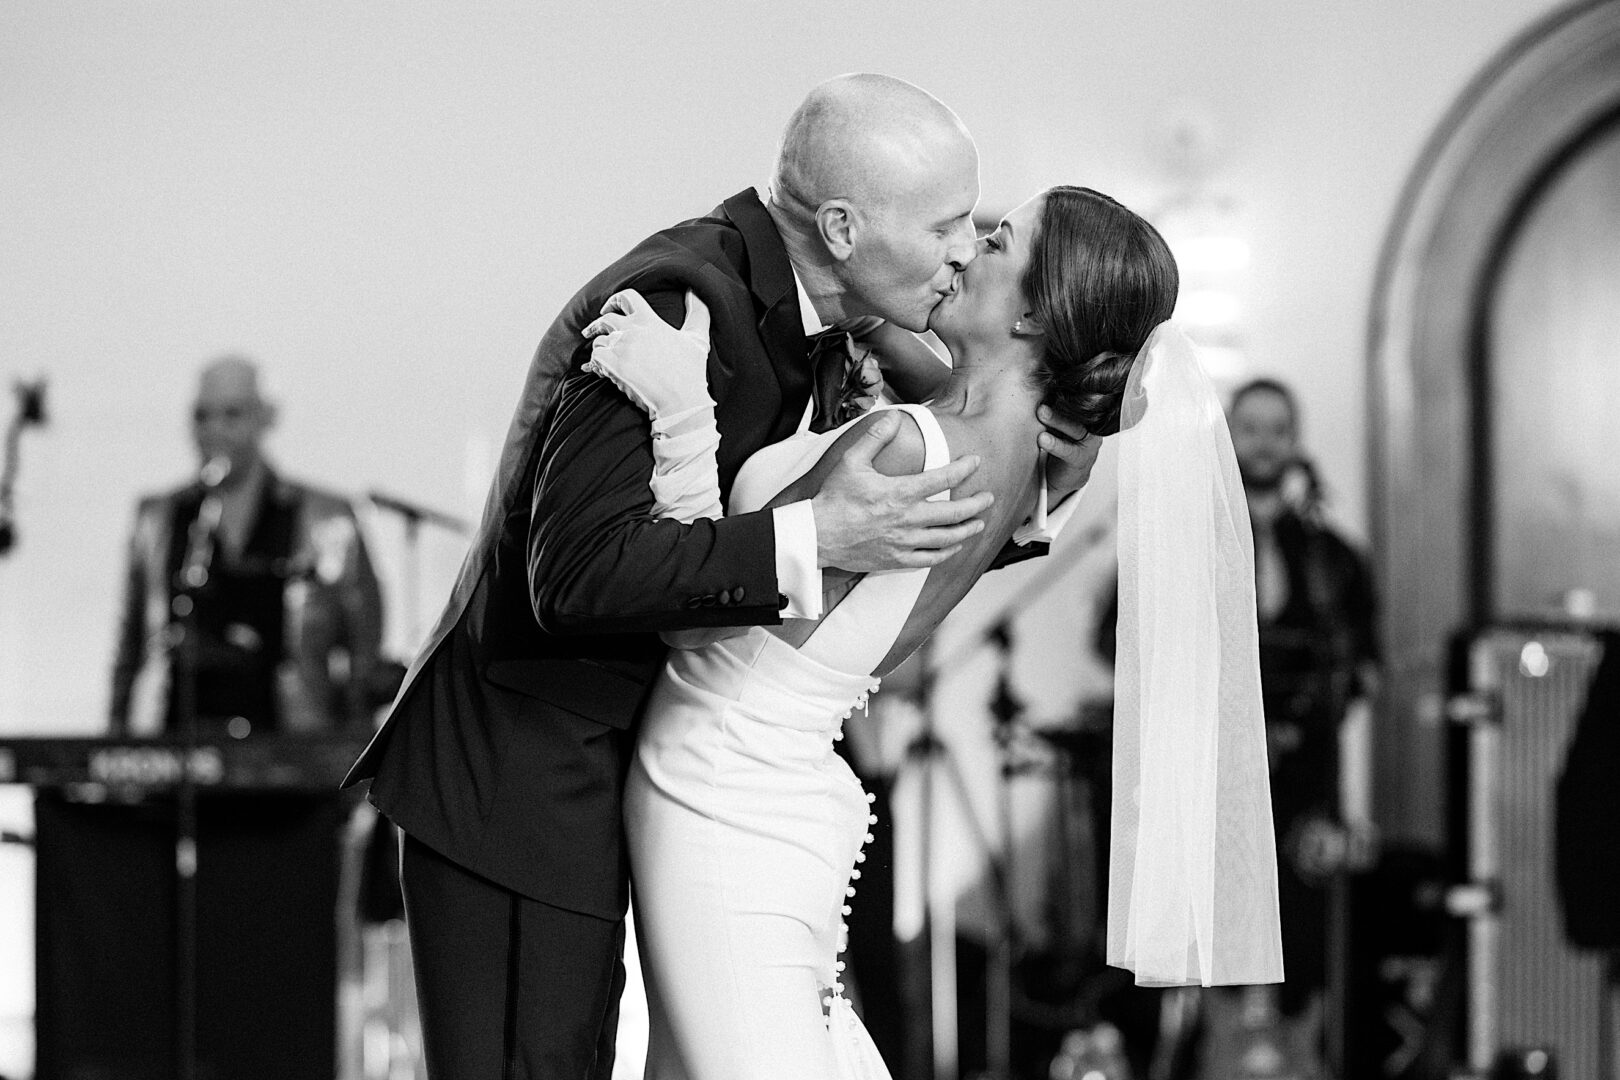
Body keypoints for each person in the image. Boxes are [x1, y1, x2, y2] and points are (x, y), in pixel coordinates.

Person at [343, 74, 1103, 1079]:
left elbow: (921, 472)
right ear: (840, 226)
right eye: (950, 224)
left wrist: (1036, 464)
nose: (967, 249)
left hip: (654, 772)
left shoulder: (821, 310)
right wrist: (815, 534)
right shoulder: (682, 301)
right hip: (529, 777)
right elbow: (578, 575)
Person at [589, 185, 1284, 1078]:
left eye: (995, 242)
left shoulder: (906, 452)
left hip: (723, 791)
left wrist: (679, 406)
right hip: (778, 790)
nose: (964, 252)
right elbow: (965, 397)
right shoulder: (1029, 467)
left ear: (1037, 308)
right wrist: (873, 313)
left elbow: (697, 618)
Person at [1225, 377, 1380, 1064]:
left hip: (1306, 781)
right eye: (1249, 426)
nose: (1262, 442)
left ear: (1295, 442)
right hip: (1221, 777)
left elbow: (1363, 665)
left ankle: (1302, 1055)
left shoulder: (1328, 555)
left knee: (1308, 929)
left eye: (1276, 429)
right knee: (1226, 928)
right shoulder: (1191, 538)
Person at [110, 355, 384, 736]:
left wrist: (354, 759)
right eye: (201, 416)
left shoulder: (327, 518)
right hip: (174, 738)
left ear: (265, 417)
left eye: (232, 414)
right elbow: (130, 648)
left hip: (291, 741)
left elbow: (363, 653)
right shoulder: (158, 518)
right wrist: (117, 744)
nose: (214, 430)